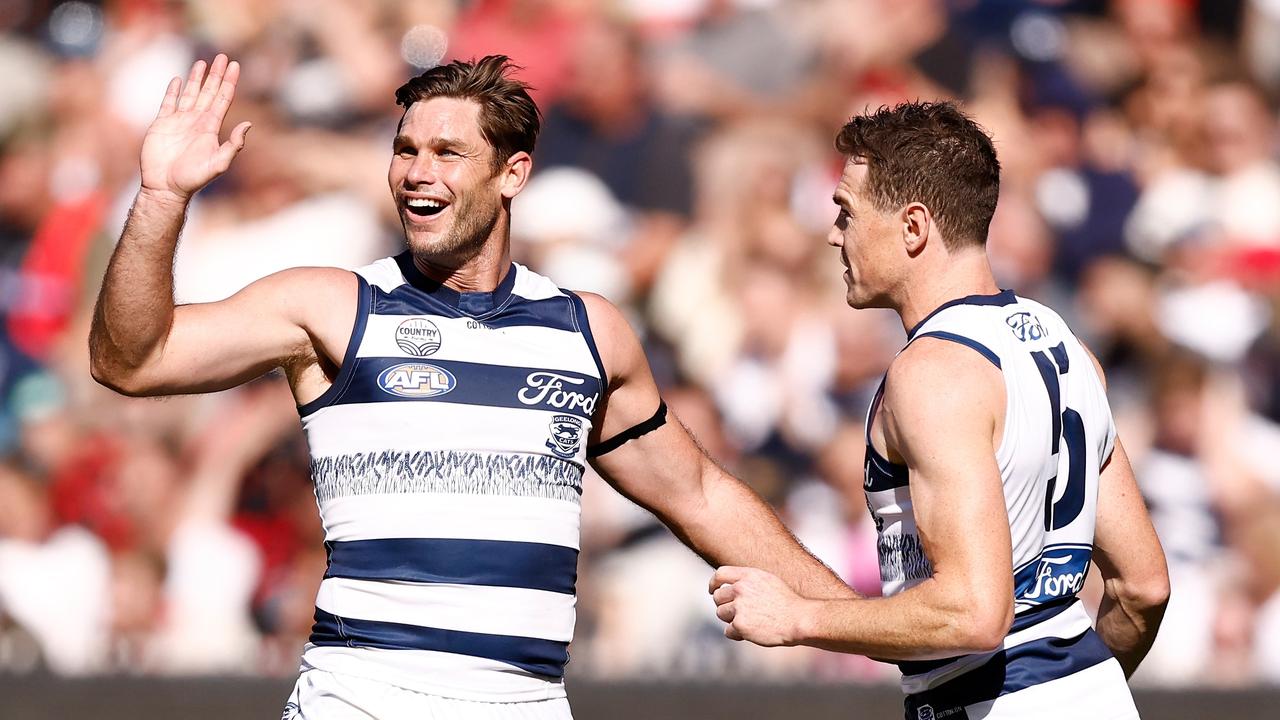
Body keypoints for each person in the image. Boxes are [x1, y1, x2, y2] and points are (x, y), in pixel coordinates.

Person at [88, 54, 853, 719]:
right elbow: (132, 360)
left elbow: (700, 495)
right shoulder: (334, 307)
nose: (417, 172)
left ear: (512, 172)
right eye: (405, 149)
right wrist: (160, 197)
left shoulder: (587, 331)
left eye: (448, 152)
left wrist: (855, 621)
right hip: (361, 698)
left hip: (525, 703)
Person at [709, 102, 1170, 719]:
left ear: (914, 226)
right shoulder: (1068, 345)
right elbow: (1142, 587)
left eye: (847, 211)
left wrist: (798, 617)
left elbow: (975, 613)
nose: (832, 233)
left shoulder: (931, 373)